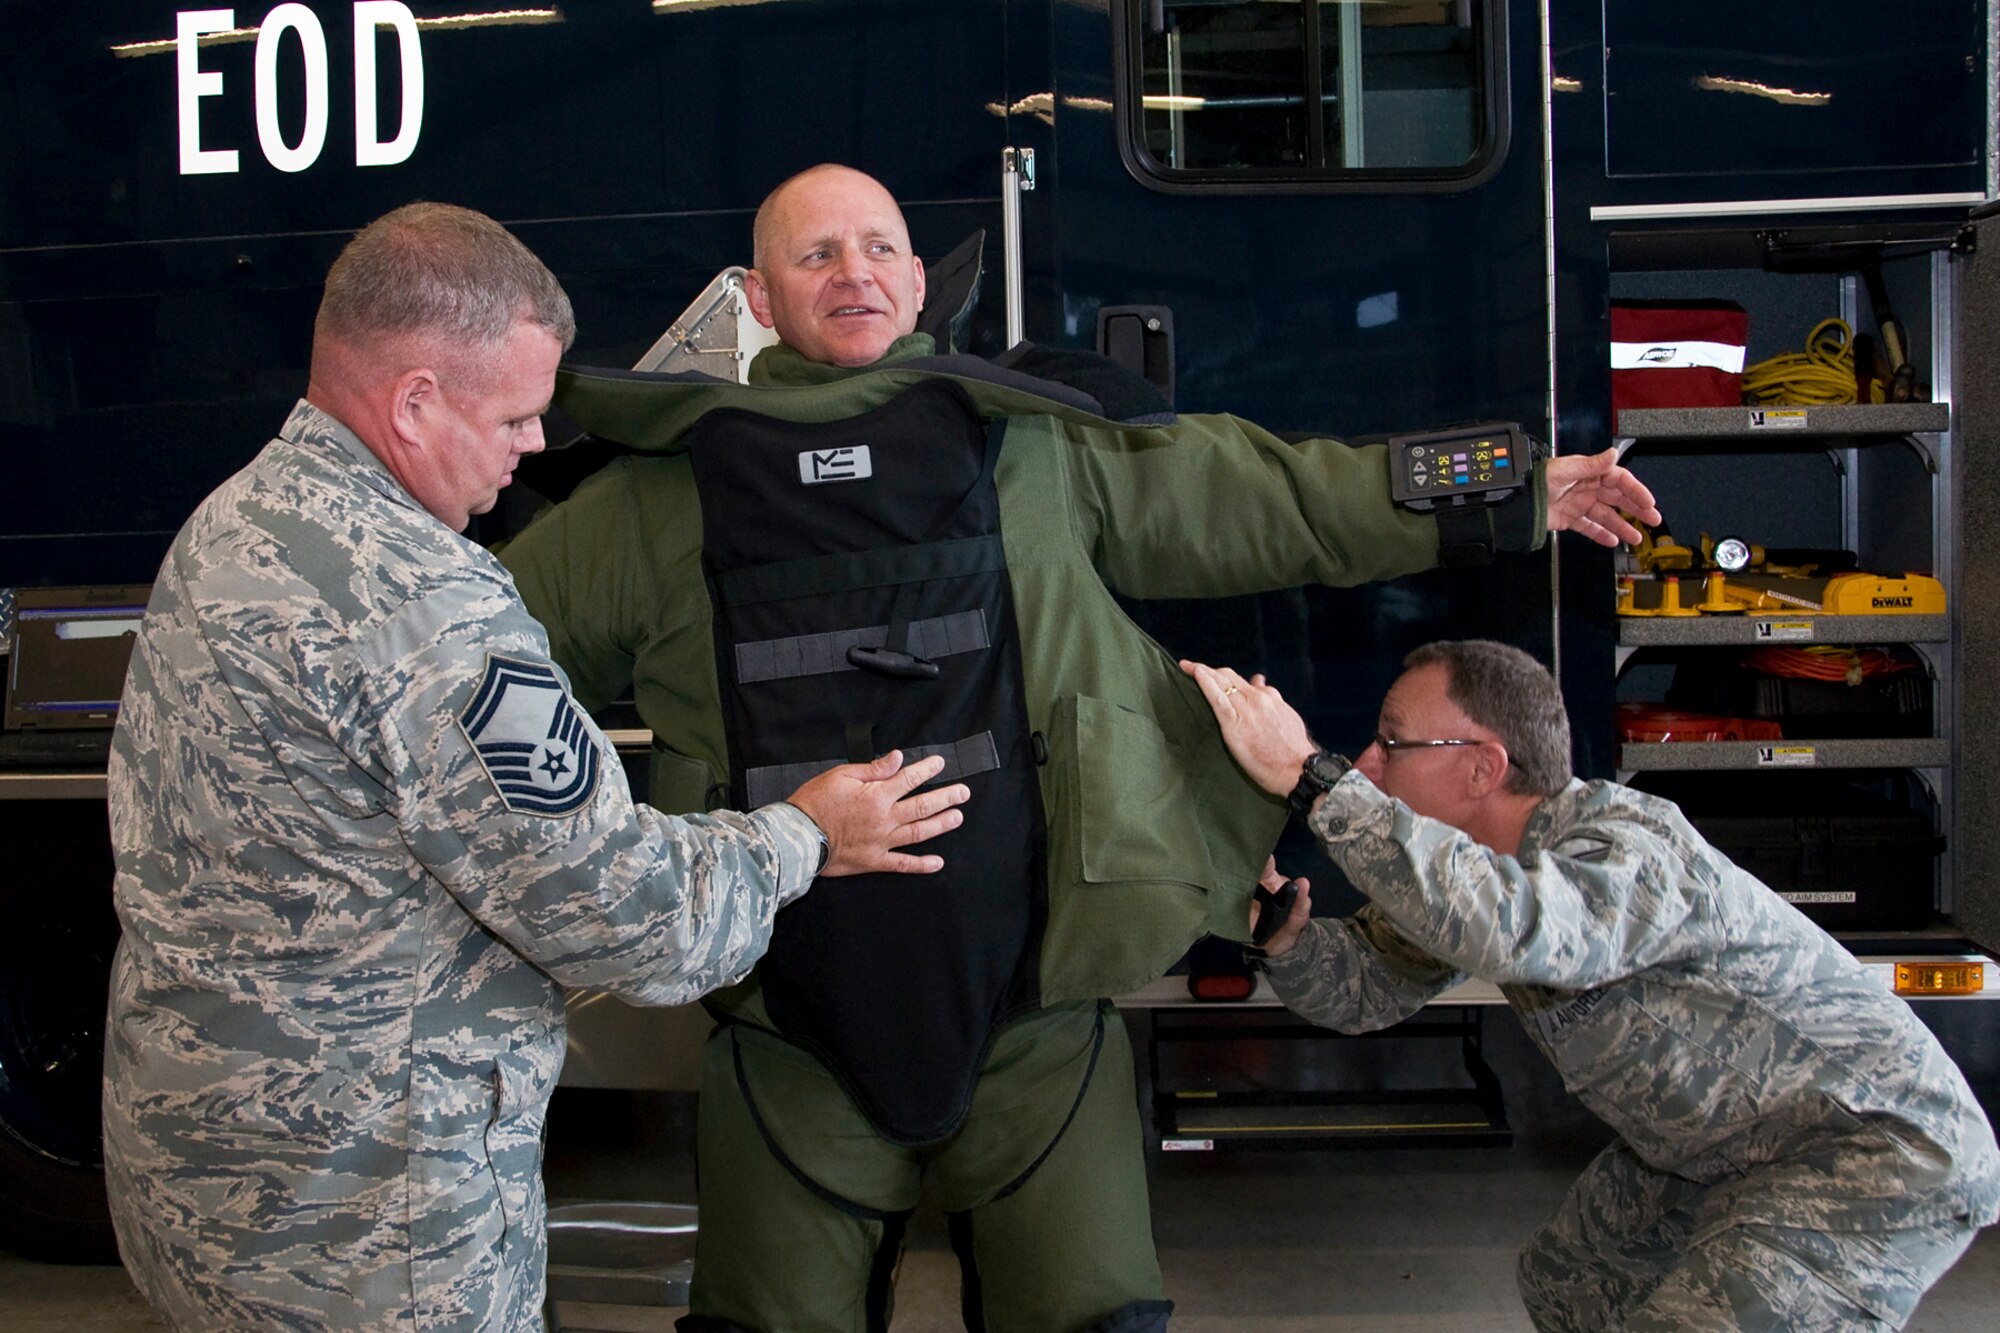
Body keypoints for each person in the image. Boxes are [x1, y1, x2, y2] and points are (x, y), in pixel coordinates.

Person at [499, 164, 1661, 1333]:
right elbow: (463, 667)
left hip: (1034, 1016)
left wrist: (1509, 489)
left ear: (915, 278)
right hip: (781, 1027)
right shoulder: (658, 499)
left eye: (876, 248)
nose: (852, 273)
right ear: (756, 293)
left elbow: (1273, 497)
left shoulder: (1032, 449)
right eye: (815, 256)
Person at [102, 201, 970, 1333]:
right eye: (513, 416)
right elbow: (627, 914)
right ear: (414, 402)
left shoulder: (237, 525)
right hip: (368, 1233)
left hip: (198, 1182)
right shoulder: (426, 603)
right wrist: (805, 832)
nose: (530, 448)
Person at [1181, 638, 2000, 1331]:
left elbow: (1520, 927)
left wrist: (1313, 777)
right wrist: (1282, 939)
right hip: (1718, 1149)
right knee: (1574, 1280)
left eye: (1392, 743)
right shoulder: (1480, 876)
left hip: (1874, 1151)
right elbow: (1363, 987)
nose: (1370, 761)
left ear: (1481, 768)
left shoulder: (1624, 844)